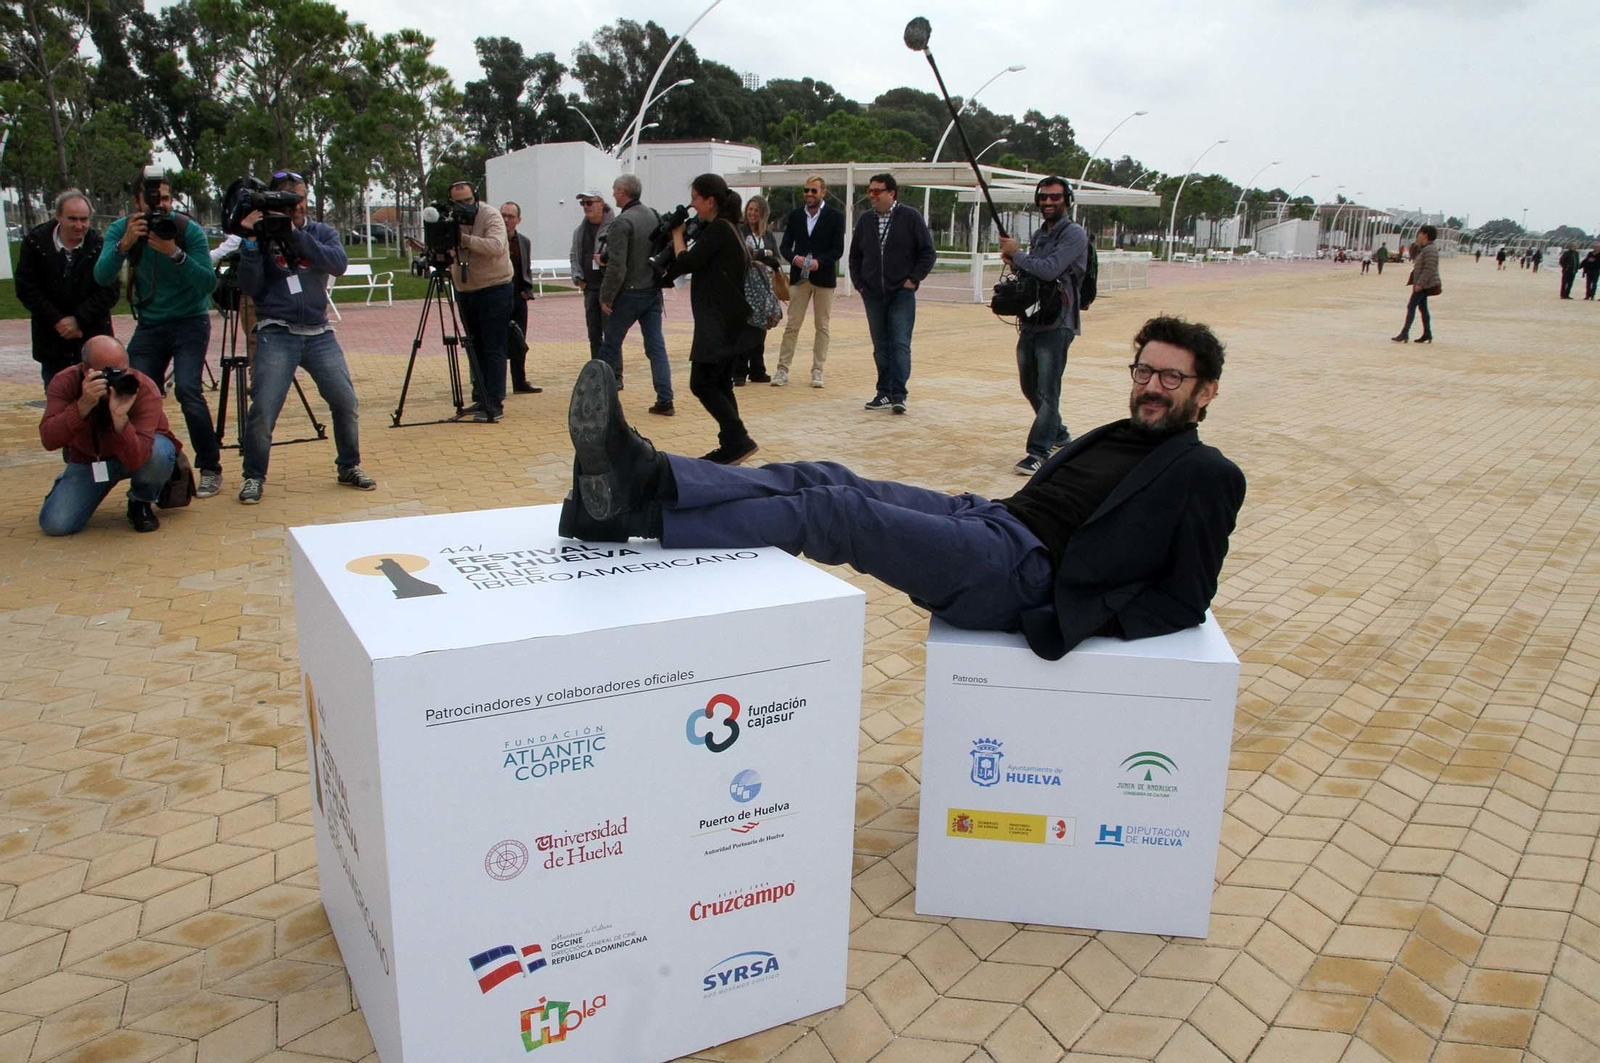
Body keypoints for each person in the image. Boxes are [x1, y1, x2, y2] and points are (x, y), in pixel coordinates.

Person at [558, 314, 1245, 662]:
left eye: (1170, 378)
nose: (1150, 387)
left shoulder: (1207, 473)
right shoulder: (1121, 431)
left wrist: (1080, 613)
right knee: (821, 475)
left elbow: (1186, 599)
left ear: (1206, 391)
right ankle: (636, 491)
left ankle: (633, 505)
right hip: (989, 519)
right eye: (1144, 371)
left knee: (835, 514)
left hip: (1022, 572)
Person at [233, 174, 375, 505]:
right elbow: (250, 287)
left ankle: (349, 466)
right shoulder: (260, 235)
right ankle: (253, 476)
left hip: (318, 331)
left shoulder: (320, 232)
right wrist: (253, 242)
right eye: (286, 200)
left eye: (299, 199)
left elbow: (338, 264)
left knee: (345, 401)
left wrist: (295, 235)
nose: (295, 205)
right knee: (264, 408)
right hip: (276, 330)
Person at [93, 169, 221, 497]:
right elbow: (101, 275)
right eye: (152, 200)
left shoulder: (185, 229)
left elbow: (208, 283)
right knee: (129, 388)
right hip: (150, 323)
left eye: (165, 199)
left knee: (188, 390)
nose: (159, 206)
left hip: (190, 321)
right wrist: (124, 245)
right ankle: (136, 461)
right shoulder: (122, 231)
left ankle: (210, 467)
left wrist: (173, 253)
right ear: (136, 202)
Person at [38, 335, 181, 535]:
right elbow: (49, 440)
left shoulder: (143, 388)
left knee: (160, 450)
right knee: (56, 524)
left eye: (121, 371)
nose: (116, 379)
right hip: (90, 458)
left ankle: (141, 501)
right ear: (85, 370)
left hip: (135, 455)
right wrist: (82, 406)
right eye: (107, 373)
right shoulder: (65, 382)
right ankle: (68, 483)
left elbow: (136, 459)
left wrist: (120, 418)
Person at [998, 176, 1089, 477]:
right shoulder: (1040, 235)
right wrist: (1014, 259)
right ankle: (1059, 433)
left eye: (1055, 197)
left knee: (1049, 390)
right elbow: (1032, 274)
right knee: (1029, 385)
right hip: (1033, 320)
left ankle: (1038, 451)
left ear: (1067, 200)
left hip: (1059, 322)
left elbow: (1050, 271)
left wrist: (1018, 253)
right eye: (1044, 197)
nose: (1049, 202)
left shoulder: (1074, 235)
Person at [667, 174, 761, 465]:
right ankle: (732, 443)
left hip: (720, 324)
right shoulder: (726, 227)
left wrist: (677, 234)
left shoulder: (720, 229)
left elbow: (687, 262)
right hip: (727, 321)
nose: (692, 204)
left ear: (710, 201)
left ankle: (739, 438)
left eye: (695, 198)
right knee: (719, 384)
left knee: (702, 383)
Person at [15, 190, 119, 391]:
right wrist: (57, 320)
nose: (79, 225)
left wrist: (78, 319)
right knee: (59, 404)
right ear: (58, 216)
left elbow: (110, 290)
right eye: (72, 219)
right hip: (52, 341)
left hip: (94, 341)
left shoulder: (100, 246)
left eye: (84, 219)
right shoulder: (36, 244)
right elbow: (26, 287)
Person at [848, 173, 935, 414]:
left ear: (891, 193)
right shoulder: (865, 220)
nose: (872, 196)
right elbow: (855, 255)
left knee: (899, 343)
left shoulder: (910, 217)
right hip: (873, 293)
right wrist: (860, 283)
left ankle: (899, 393)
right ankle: (883, 392)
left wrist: (913, 279)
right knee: (880, 345)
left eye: (877, 191)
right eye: (870, 191)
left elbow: (928, 252)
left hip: (901, 293)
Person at [598, 174, 674, 415]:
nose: (612, 193)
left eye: (614, 189)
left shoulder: (622, 223)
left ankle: (601, 397)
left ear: (622, 192)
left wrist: (606, 296)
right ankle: (665, 398)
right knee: (656, 346)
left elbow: (617, 266)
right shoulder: (653, 214)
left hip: (629, 293)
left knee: (610, 344)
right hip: (652, 290)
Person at [774, 175, 845, 388]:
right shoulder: (796, 215)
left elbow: (837, 249)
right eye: (806, 190)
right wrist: (794, 258)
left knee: (822, 325)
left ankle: (817, 370)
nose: (809, 195)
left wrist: (819, 262)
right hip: (800, 278)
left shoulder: (835, 216)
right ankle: (782, 369)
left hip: (823, 278)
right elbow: (785, 246)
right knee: (792, 324)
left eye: (814, 191)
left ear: (823, 192)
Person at [734, 195, 780, 386]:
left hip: (764, 288)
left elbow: (776, 259)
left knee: (761, 327)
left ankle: (757, 369)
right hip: (744, 286)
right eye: (750, 209)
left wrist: (760, 255)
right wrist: (762, 254)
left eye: (756, 210)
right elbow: (741, 256)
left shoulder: (767, 235)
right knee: (745, 328)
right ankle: (739, 371)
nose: (752, 213)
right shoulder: (740, 230)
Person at [499, 201, 542, 394]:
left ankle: (519, 381)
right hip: (496, 298)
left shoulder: (524, 242)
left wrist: (527, 290)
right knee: (497, 342)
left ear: (518, 220)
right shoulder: (494, 239)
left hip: (518, 298)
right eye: (503, 215)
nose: (506, 219)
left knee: (518, 340)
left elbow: (526, 268)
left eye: (510, 216)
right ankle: (496, 384)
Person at [569, 190, 614, 360]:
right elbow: (574, 255)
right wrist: (577, 276)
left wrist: (605, 261)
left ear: (601, 203)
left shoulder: (615, 227)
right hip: (590, 289)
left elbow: (621, 256)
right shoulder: (579, 231)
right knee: (594, 335)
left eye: (589, 202)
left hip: (608, 289)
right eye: (583, 203)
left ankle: (615, 375)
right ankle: (598, 371)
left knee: (611, 335)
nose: (586, 207)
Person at [1392, 224, 1439, 344]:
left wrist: (1420, 284)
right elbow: (1413, 255)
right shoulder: (1424, 248)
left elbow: (1429, 268)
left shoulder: (1430, 250)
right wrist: (1416, 243)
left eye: (1419, 233)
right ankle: (1427, 333)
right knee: (1423, 309)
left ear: (1425, 235)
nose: (1418, 235)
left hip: (1423, 285)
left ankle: (1405, 333)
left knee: (1411, 306)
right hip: (1421, 284)